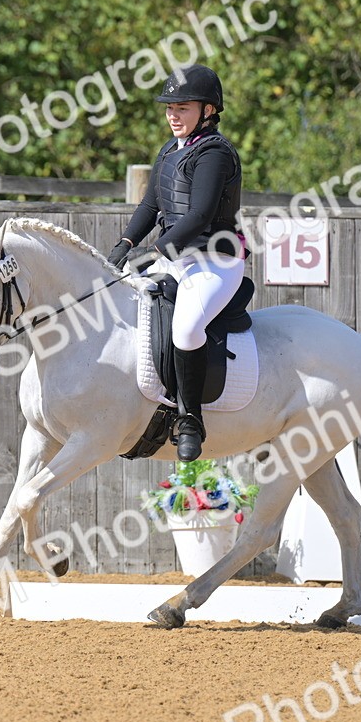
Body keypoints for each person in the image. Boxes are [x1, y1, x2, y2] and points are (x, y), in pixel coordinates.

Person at [104, 63, 245, 462]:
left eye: (182, 108)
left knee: (185, 329)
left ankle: (190, 421)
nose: (172, 115)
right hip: (175, 258)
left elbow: (199, 215)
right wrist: (126, 243)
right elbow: (151, 204)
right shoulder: (169, 151)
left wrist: (153, 252)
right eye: (169, 108)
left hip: (214, 259)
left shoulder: (215, 153)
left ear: (208, 110)